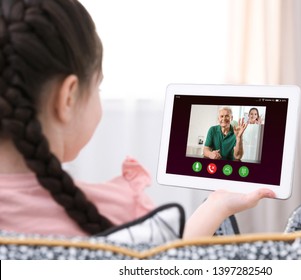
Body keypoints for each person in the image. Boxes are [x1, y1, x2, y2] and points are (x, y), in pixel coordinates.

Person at [0, 0, 275, 239]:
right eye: (98, 88)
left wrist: (219, 203)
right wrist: (218, 206)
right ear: (68, 98)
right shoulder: (122, 210)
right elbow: (167, 262)